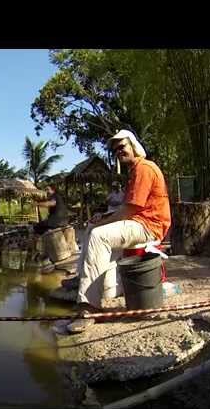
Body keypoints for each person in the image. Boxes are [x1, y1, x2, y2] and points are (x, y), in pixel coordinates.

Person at [62, 130, 171, 312]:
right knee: (91, 227)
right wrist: (102, 218)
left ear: (133, 146)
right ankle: (81, 277)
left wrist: (103, 223)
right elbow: (126, 206)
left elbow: (130, 209)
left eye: (122, 147)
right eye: (116, 150)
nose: (119, 152)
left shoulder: (144, 168)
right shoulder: (136, 171)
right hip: (138, 221)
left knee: (99, 234)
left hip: (148, 226)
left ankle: (88, 305)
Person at [33, 184, 69, 273]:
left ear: (53, 189)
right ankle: (44, 251)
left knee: (36, 227)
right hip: (62, 221)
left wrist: (37, 204)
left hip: (56, 222)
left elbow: (52, 203)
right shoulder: (58, 197)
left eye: (48, 189)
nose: (46, 191)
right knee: (42, 227)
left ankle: (39, 251)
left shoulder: (55, 196)